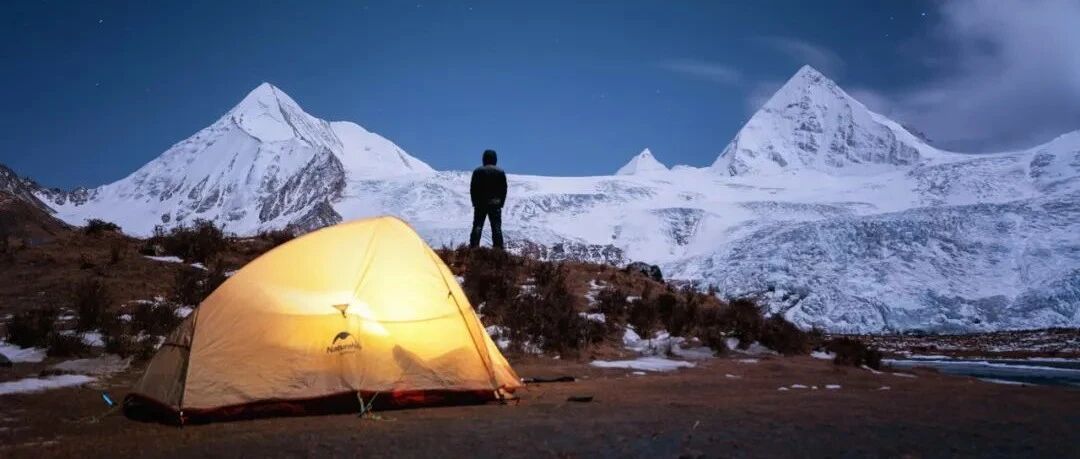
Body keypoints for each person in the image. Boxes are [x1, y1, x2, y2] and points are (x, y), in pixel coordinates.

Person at [469, 149, 507, 249]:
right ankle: (498, 249)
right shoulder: (500, 172)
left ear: (484, 159)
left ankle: (474, 247)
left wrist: (474, 201)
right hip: (495, 204)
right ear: (495, 159)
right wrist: (501, 202)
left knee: (477, 225)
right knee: (496, 227)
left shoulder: (478, 171)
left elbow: (473, 188)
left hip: (480, 203)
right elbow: (504, 189)